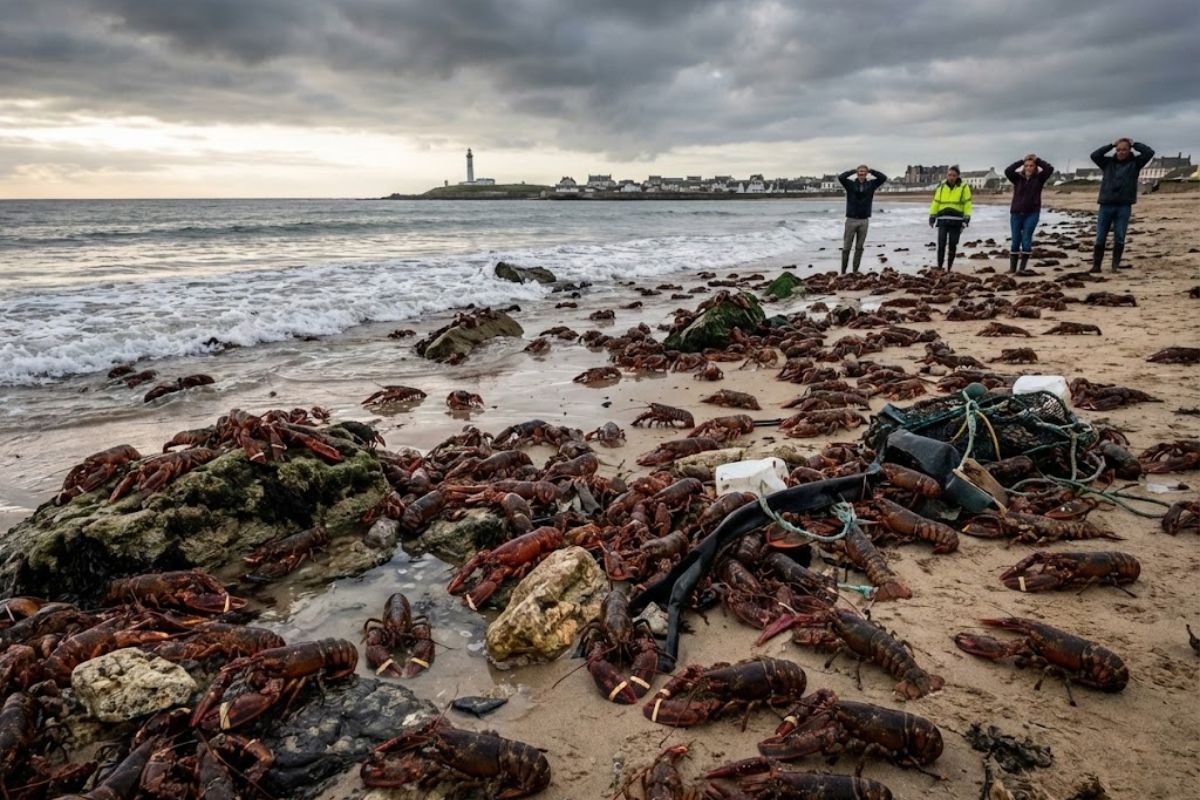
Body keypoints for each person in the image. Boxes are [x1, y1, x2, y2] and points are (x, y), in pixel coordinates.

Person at [1090, 138, 1155, 272]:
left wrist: (1135, 143)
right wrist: (1111, 144)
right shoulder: (1107, 163)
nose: (1121, 152)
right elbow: (1094, 155)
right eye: (1118, 149)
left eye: (1124, 149)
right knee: (1100, 237)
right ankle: (1096, 266)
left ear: (1129, 150)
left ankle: (1115, 266)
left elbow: (1149, 153)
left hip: (1124, 205)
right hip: (1106, 204)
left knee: (1119, 237)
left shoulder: (1135, 163)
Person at [1004, 153, 1054, 273]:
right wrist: (1022, 160)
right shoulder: (1017, 178)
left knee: (1026, 239)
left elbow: (1049, 169)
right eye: (1026, 166)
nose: (1029, 168)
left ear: (1035, 167)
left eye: (1031, 165)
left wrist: (1038, 160)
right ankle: (1012, 268)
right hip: (1016, 213)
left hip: (1032, 213)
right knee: (1015, 240)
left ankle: (1022, 268)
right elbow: (1008, 171)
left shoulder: (1039, 179)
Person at [837, 164, 888, 274]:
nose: (862, 173)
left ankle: (855, 270)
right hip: (851, 219)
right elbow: (841, 177)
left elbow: (883, 178)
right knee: (846, 247)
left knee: (859, 247)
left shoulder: (871, 184)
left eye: (864, 172)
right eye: (860, 171)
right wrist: (852, 171)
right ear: (857, 173)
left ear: (866, 173)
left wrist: (872, 170)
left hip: (864, 220)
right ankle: (843, 271)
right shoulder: (850, 184)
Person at [928, 166, 972, 271]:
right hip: (943, 219)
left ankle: (949, 268)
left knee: (952, 245)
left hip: (957, 221)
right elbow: (936, 202)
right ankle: (939, 267)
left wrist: (966, 218)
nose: (951, 177)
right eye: (949, 175)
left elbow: (967, 203)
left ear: (957, 176)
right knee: (941, 244)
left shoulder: (964, 187)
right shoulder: (941, 187)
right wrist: (932, 216)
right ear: (946, 175)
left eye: (954, 175)